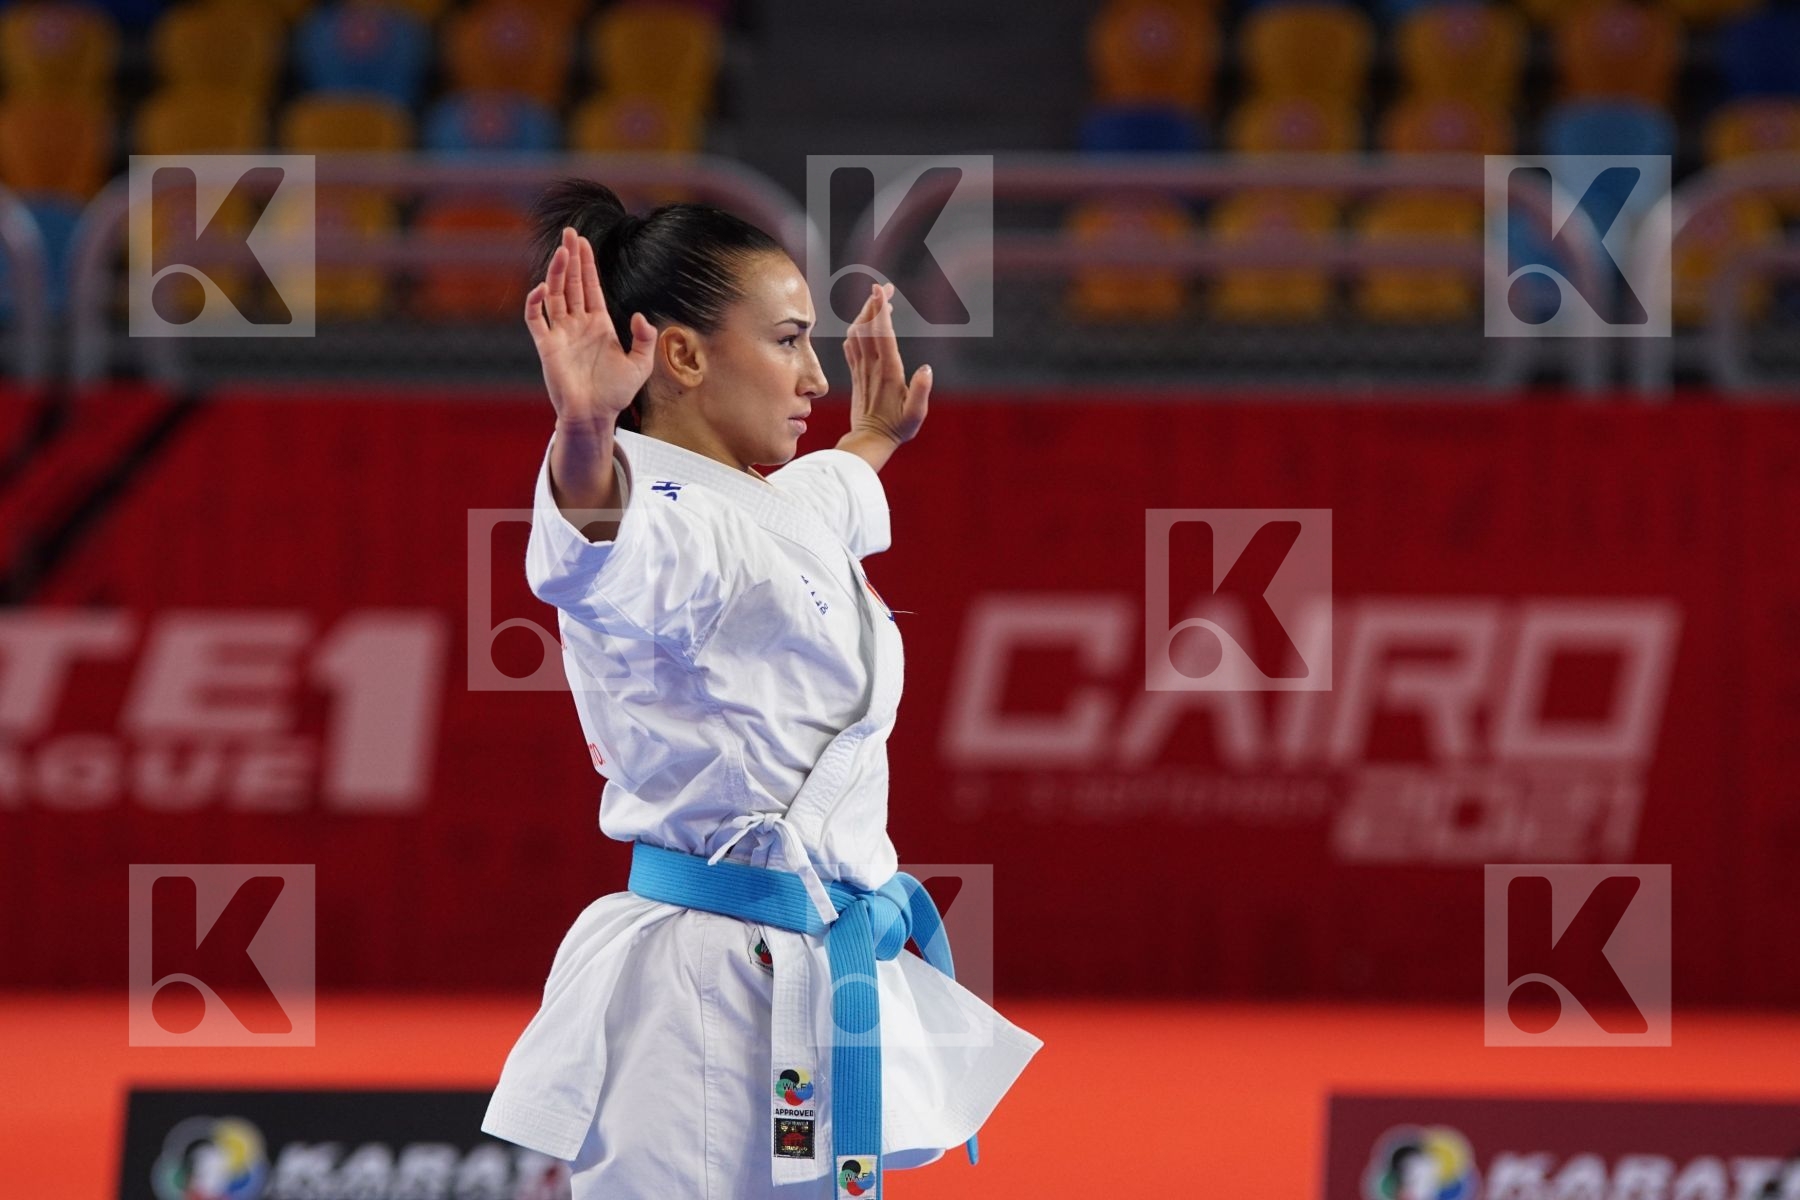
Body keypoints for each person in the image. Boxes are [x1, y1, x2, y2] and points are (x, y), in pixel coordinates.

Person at [480, 179, 1044, 1200]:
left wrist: (872, 441)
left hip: (796, 972)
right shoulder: (655, 518)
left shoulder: (755, 508)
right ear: (685, 357)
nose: (817, 376)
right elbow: (590, 547)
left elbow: (816, 504)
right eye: (787, 340)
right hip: (701, 1000)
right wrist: (582, 430)